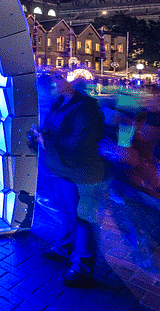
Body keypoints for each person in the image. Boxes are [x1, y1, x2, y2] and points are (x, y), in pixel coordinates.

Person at [33, 71, 108, 288]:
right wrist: (40, 134)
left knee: (83, 218)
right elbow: (53, 130)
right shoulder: (60, 104)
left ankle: (83, 268)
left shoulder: (86, 108)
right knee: (68, 212)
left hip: (82, 171)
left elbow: (81, 143)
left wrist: (48, 141)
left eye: (59, 79)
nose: (54, 83)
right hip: (62, 168)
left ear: (72, 82)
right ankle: (64, 248)